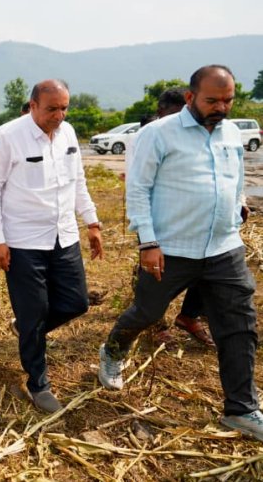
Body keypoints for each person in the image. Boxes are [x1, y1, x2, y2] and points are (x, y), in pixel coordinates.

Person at [98, 65, 263, 441]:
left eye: (228, 100)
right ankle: (113, 350)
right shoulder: (157, 134)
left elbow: (235, 176)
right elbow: (138, 190)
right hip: (171, 248)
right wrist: (148, 243)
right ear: (190, 97)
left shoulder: (233, 132)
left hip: (224, 247)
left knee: (240, 325)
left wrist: (237, 203)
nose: (221, 107)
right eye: (212, 100)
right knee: (148, 312)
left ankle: (241, 409)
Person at [0, 79, 102, 413]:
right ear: (33, 105)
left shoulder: (68, 133)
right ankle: (38, 382)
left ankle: (26, 330)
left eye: (64, 108)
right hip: (22, 242)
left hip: (64, 236)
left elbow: (78, 181)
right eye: (52, 108)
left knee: (76, 303)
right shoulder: (8, 135)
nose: (59, 115)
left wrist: (91, 222)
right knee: (34, 313)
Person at [125, 87, 214, 348]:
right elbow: (137, 185)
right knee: (155, 275)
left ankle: (189, 316)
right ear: (160, 112)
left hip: (190, 221)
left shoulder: (195, 134)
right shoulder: (146, 136)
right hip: (155, 222)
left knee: (205, 271)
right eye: (172, 114)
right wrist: (146, 237)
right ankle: (156, 324)